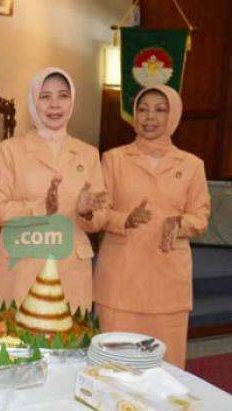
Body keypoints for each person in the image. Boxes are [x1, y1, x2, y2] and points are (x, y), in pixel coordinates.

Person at [94, 85, 210, 368]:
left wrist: (179, 223)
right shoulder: (113, 159)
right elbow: (98, 214)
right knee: (114, 368)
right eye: (143, 109)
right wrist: (125, 219)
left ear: (174, 115)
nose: (149, 117)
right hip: (120, 281)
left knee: (165, 371)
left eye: (160, 110)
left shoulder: (193, 165)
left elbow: (201, 217)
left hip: (167, 284)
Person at [0, 67, 108, 312]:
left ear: (72, 101)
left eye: (63, 96)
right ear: (33, 101)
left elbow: (100, 218)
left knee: (67, 344)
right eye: (45, 96)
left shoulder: (88, 153)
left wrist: (85, 213)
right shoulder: (10, 150)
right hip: (22, 268)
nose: (55, 104)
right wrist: (41, 208)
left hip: (70, 269)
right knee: (21, 344)